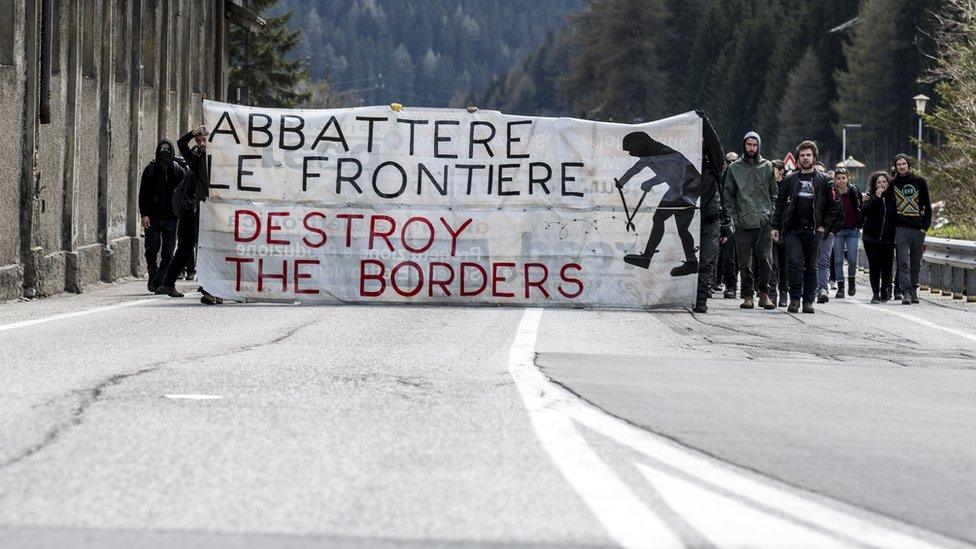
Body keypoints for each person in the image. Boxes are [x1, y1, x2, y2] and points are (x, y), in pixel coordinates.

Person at [615, 132, 700, 276]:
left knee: (678, 225)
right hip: (677, 188)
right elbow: (636, 169)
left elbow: (672, 174)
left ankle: (689, 262)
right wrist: (621, 182)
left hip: (688, 188)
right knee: (670, 223)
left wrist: (650, 182)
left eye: (631, 149)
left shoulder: (665, 153)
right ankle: (688, 261)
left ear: (641, 144)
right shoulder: (650, 154)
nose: (631, 153)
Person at [771, 141, 840, 314]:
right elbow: (780, 204)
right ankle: (794, 298)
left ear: (814, 157)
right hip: (793, 229)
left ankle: (808, 300)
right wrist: (776, 226)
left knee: (811, 266)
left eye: (808, 155)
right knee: (794, 263)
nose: (805, 158)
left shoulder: (825, 180)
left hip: (815, 229)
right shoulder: (790, 180)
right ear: (797, 159)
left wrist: (825, 225)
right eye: (802, 155)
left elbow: (834, 204)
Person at [159, 125, 222, 304]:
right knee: (197, 248)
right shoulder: (196, 160)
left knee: (188, 249)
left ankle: (170, 282)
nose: (202, 143)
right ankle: (205, 288)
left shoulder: (219, 160)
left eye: (204, 140)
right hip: (195, 212)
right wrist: (193, 132)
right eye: (199, 141)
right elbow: (181, 143)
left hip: (201, 211)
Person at [723, 132, 777, 310]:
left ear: (759, 146)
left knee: (765, 261)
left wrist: (771, 214)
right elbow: (728, 195)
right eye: (749, 144)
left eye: (754, 145)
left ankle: (763, 294)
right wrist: (735, 217)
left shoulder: (767, 166)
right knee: (745, 262)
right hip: (742, 222)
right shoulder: (734, 168)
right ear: (744, 145)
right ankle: (747, 295)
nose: (752, 148)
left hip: (764, 221)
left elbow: (774, 193)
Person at [138, 140, 185, 293]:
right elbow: (143, 194)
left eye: (167, 151)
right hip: (153, 217)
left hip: (171, 217)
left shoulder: (178, 171)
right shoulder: (150, 170)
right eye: (162, 151)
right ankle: (153, 275)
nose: (165, 154)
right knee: (151, 249)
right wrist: (144, 214)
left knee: (168, 252)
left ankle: (158, 280)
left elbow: (184, 193)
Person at [693, 119, 730, 313]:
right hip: (687, 219)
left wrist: (705, 123)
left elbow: (715, 146)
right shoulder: (683, 164)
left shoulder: (714, 165)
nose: (699, 142)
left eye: (702, 139)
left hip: (709, 219)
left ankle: (701, 300)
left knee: (706, 261)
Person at [891, 153, 932, 305]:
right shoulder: (893, 184)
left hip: (918, 229)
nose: (901, 167)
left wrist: (924, 228)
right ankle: (906, 292)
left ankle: (914, 290)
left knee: (916, 262)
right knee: (903, 262)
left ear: (908, 164)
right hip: (901, 229)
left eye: (903, 164)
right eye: (898, 164)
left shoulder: (920, 181)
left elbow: (927, 206)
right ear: (895, 167)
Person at [861, 171, 897, 303]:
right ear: (874, 185)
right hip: (871, 238)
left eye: (884, 182)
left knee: (887, 267)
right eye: (878, 182)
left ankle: (884, 289)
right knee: (874, 266)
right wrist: (876, 198)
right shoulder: (869, 197)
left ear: (888, 183)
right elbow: (865, 211)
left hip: (888, 239)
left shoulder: (893, 198)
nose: (881, 184)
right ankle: (875, 294)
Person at [831, 167, 863, 299]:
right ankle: (841, 287)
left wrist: (860, 223)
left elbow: (860, 207)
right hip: (838, 230)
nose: (841, 180)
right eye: (838, 178)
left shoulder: (853, 191)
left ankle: (851, 280)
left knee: (852, 258)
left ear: (848, 178)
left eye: (843, 178)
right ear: (835, 179)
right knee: (838, 260)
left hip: (852, 229)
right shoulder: (833, 192)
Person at [716, 152, 740, 299]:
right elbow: (721, 198)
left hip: (744, 219)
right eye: (728, 161)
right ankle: (730, 285)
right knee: (728, 256)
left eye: (734, 161)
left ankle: (743, 286)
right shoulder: (722, 177)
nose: (731, 164)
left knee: (741, 257)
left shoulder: (743, 175)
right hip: (728, 219)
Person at [767, 160, 788, 307]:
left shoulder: (788, 185)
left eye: (772, 170)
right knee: (772, 263)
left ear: (781, 171)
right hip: (771, 228)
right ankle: (772, 294)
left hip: (786, 228)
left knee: (784, 263)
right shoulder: (767, 186)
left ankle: (784, 294)